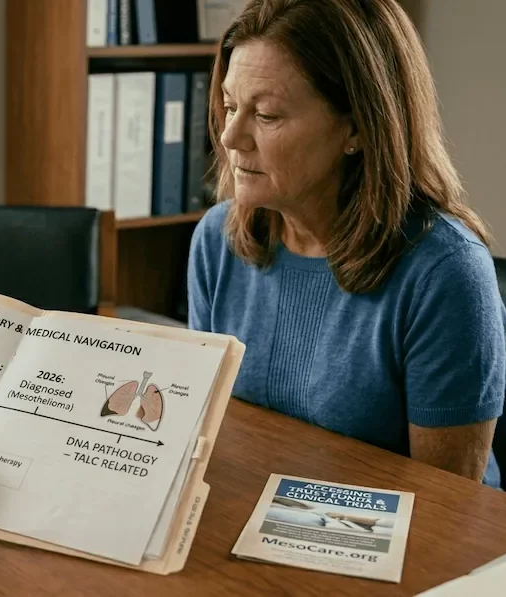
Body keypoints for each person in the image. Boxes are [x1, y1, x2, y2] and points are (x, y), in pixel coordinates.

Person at [188, 0, 506, 487]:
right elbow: (201, 435)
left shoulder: (447, 272)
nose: (230, 137)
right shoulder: (216, 239)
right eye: (230, 106)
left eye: (267, 115)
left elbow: (447, 508)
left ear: (357, 127)